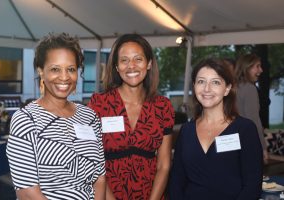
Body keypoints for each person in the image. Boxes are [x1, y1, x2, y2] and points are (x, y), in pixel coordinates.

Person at [6, 33, 106, 200]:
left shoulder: (90, 117)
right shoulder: (25, 119)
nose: (64, 77)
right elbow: (27, 193)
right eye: (55, 69)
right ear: (41, 72)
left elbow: (100, 178)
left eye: (71, 69)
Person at [88, 33, 175, 200]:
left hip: (152, 194)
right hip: (106, 194)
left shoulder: (162, 106)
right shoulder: (99, 104)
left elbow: (164, 165)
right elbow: (91, 162)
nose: (131, 66)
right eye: (124, 60)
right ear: (116, 66)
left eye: (138, 59)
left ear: (149, 63)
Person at [169, 58, 263, 200]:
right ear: (194, 86)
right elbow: (176, 181)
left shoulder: (245, 129)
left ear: (227, 89)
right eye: (201, 81)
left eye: (215, 82)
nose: (207, 89)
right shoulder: (186, 131)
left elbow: (252, 184)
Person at [235, 53, 268, 160]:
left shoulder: (232, 87)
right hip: (247, 143)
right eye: (257, 66)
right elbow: (253, 121)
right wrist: (263, 147)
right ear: (247, 67)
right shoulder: (249, 88)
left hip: (232, 142)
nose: (261, 70)